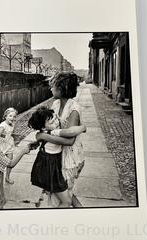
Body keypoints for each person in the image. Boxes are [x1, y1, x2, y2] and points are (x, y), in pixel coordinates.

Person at [28, 106, 86, 207]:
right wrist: (83, 127)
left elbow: (39, 136)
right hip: (50, 170)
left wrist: (39, 137)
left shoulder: (45, 133)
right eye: (51, 122)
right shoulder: (51, 135)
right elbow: (69, 140)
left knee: (67, 194)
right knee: (66, 201)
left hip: (51, 168)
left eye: (55, 118)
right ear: (43, 128)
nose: (56, 122)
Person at [42, 72, 85, 207]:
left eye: (53, 86)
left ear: (61, 88)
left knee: (62, 198)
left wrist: (44, 136)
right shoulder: (55, 104)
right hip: (58, 155)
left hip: (70, 158)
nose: (50, 89)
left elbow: (69, 141)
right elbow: (49, 125)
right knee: (65, 193)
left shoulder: (74, 109)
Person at [0, 107, 18, 184]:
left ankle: (7, 177)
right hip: (2, 146)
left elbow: (11, 132)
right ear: (5, 116)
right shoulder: (3, 125)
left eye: (14, 116)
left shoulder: (12, 124)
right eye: (10, 116)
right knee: (0, 163)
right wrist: (3, 135)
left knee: (10, 162)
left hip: (9, 145)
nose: (12, 118)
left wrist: (13, 136)